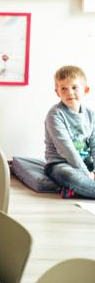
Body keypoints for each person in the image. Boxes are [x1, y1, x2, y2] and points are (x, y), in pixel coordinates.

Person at [45, 65, 95, 198]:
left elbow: (94, 145)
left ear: (86, 90)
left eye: (74, 87)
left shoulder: (91, 115)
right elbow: (66, 149)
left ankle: (77, 189)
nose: (69, 92)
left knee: (83, 178)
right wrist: (87, 174)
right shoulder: (55, 114)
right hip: (61, 164)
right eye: (63, 88)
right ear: (57, 92)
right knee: (71, 177)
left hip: (86, 163)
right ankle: (80, 186)